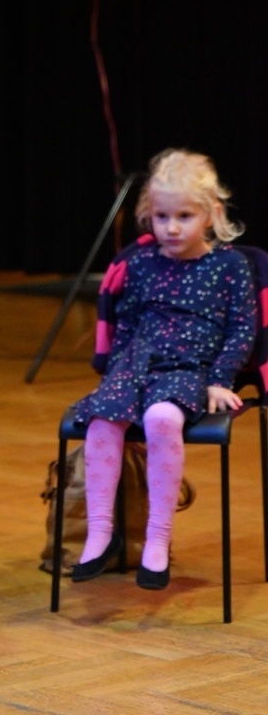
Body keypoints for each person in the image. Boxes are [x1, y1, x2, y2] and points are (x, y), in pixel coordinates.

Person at [71, 149, 256, 590]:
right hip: (136, 365)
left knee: (161, 418)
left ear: (211, 215)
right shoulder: (141, 263)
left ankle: (157, 537)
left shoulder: (230, 266)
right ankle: (100, 532)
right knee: (102, 419)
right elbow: (127, 322)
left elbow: (242, 329)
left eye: (184, 216)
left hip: (187, 370)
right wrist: (117, 375)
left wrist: (220, 379)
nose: (171, 228)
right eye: (161, 216)